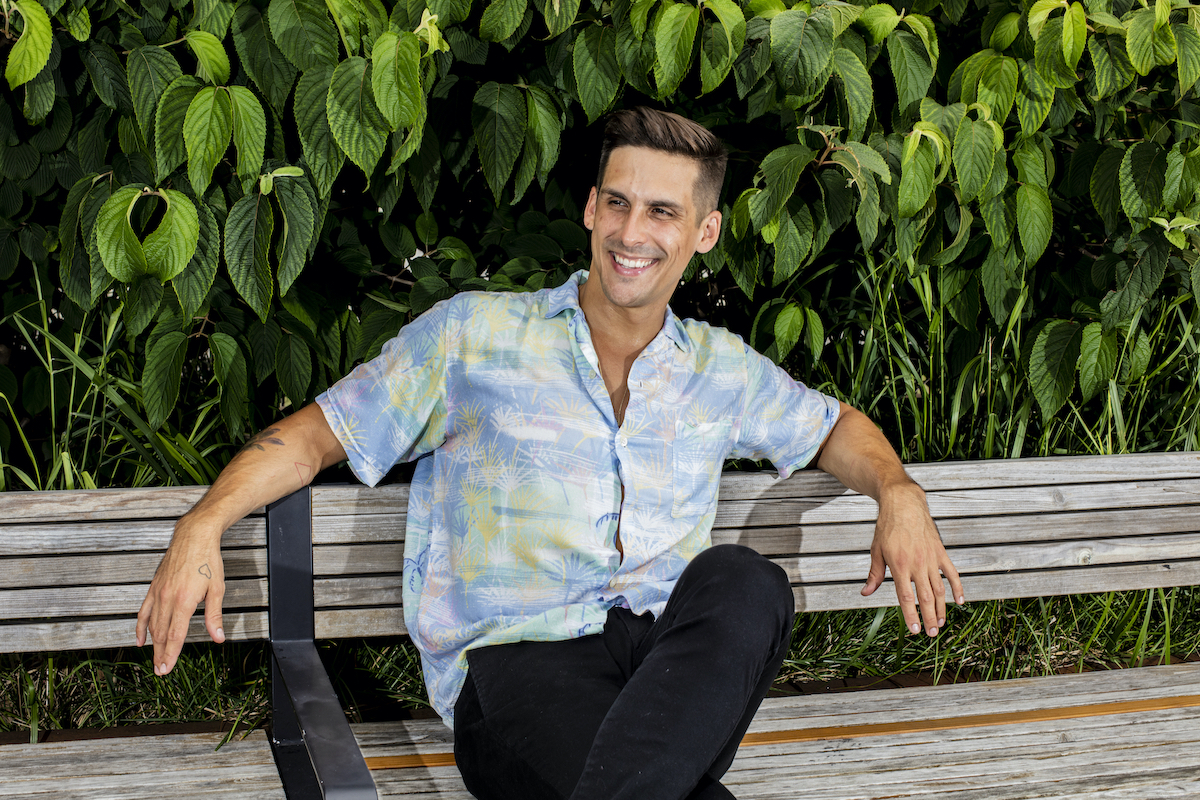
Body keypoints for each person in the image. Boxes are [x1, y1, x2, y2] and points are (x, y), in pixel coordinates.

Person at [138, 107, 964, 799]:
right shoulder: (475, 336)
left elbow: (832, 428)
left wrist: (899, 493)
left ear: (705, 231)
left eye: (662, 213)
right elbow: (318, 432)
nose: (632, 233)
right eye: (618, 203)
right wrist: (203, 522)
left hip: (659, 668)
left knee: (746, 582)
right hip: (516, 670)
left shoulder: (720, 369)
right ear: (591, 210)